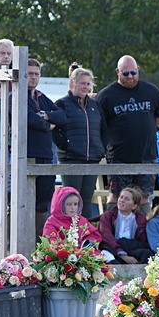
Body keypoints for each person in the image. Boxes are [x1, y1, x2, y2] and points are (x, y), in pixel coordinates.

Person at [94, 55, 159, 209]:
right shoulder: (106, 95)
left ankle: (142, 231)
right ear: (117, 72)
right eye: (125, 73)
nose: (130, 77)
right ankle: (111, 229)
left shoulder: (151, 91)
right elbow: (99, 124)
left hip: (147, 155)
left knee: (145, 195)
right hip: (119, 157)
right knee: (117, 194)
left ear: (138, 69)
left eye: (133, 72)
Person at [54, 66, 107, 218]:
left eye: (88, 84)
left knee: (86, 200)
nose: (86, 87)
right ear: (72, 83)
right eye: (82, 83)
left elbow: (104, 129)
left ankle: (86, 237)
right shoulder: (62, 104)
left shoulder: (95, 105)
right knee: (70, 200)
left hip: (92, 160)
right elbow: (54, 130)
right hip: (71, 160)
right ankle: (69, 237)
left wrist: (101, 148)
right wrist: (66, 146)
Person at [26, 59, 66, 227]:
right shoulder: (15, 95)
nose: (33, 77)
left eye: (36, 74)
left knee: (43, 205)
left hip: (46, 156)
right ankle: (16, 246)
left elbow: (62, 116)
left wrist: (43, 115)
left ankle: (39, 246)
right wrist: (47, 124)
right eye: (30, 74)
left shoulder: (42, 97)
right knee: (22, 203)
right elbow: (28, 118)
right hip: (26, 156)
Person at [99, 186, 154, 264]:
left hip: (132, 247)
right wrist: (122, 254)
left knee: (147, 254)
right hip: (112, 247)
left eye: (127, 199)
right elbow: (107, 237)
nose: (122, 200)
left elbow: (143, 240)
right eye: (121, 197)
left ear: (134, 206)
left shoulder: (140, 218)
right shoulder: (108, 216)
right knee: (108, 257)